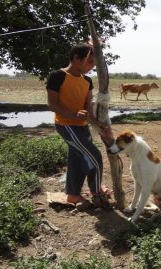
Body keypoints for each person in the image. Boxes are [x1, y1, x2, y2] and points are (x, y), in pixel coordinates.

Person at [46, 42, 114, 211]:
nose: (91, 66)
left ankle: (73, 194)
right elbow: (52, 104)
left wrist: (100, 126)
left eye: (94, 63)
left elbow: (88, 111)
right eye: (89, 61)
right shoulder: (57, 76)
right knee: (94, 157)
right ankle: (96, 190)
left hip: (82, 127)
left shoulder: (87, 81)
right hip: (66, 125)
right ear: (76, 58)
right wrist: (73, 115)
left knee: (77, 160)